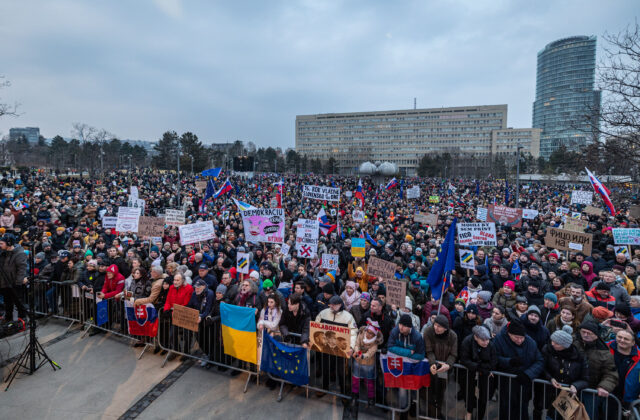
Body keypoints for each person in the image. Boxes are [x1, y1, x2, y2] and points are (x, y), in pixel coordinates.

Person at [494, 319, 544, 420]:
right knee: (506, 409)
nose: (520, 340)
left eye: (522, 337)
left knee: (522, 408)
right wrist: (509, 361)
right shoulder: (499, 339)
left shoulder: (530, 342)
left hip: (524, 383)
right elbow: (494, 358)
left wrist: (528, 374)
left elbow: (539, 361)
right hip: (507, 382)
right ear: (509, 334)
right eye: (516, 337)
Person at [536, 325, 589, 420]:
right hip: (550, 393)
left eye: (557, 343)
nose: (552, 344)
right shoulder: (547, 350)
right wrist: (550, 378)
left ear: (566, 345)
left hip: (568, 397)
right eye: (552, 341)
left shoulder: (579, 356)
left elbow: (585, 378)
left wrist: (576, 386)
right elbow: (542, 368)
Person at [314, 295, 357, 400]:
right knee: (325, 368)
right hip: (326, 348)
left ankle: (343, 393)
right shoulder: (324, 313)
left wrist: (351, 347)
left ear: (340, 305)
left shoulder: (348, 317)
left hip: (341, 350)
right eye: (330, 304)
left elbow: (353, 332)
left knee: (342, 372)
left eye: (334, 305)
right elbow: (316, 325)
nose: (331, 306)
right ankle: (324, 388)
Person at [574, 320, 618, 420]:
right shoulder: (574, 343)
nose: (585, 335)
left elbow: (611, 373)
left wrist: (604, 387)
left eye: (589, 333)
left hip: (591, 392)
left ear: (596, 335)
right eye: (583, 332)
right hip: (571, 388)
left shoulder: (604, 353)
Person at [388, 314, 426, 420]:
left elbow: (421, 355)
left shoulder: (417, 337)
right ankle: (403, 412)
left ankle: (413, 407)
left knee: (414, 391)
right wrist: (408, 352)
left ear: (409, 327)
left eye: (404, 325)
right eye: (400, 324)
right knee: (402, 391)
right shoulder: (395, 331)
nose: (401, 327)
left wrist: (401, 353)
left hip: (413, 368)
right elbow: (390, 347)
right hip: (401, 369)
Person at [423, 314, 457, 419]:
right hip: (431, 366)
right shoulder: (428, 332)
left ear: (445, 328)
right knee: (430, 391)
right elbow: (428, 350)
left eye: (439, 326)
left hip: (444, 369)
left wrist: (448, 365)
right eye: (435, 325)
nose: (436, 328)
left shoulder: (452, 336)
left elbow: (453, 354)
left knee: (441, 391)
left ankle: (438, 413)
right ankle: (431, 412)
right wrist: (433, 363)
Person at [460, 325, 496, 420]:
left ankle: (480, 416)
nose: (486, 342)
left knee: (484, 397)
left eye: (487, 339)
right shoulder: (467, 342)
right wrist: (479, 367)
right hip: (470, 372)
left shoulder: (490, 345)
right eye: (483, 340)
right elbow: (464, 359)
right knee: (469, 394)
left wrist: (488, 369)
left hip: (484, 374)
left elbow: (494, 360)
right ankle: (469, 413)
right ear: (476, 337)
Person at [351, 319, 383, 416]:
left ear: (374, 335)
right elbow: (357, 344)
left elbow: (371, 352)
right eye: (368, 332)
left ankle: (371, 398)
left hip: (369, 364)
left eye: (371, 333)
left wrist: (363, 356)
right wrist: (356, 351)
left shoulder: (375, 342)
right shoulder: (361, 335)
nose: (368, 334)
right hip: (358, 362)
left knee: (369, 382)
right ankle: (355, 395)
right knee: (355, 379)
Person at [163, 273, 194, 361]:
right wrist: (166, 309)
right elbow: (168, 300)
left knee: (187, 334)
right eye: (174, 280)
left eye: (177, 280)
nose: (175, 282)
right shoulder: (172, 287)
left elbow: (186, 303)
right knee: (172, 334)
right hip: (174, 314)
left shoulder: (189, 288)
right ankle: (177, 350)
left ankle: (186, 352)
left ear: (183, 280)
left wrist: (174, 311)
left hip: (184, 314)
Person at [607, 329, 640, 408]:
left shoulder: (638, 358)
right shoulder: (605, 347)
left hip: (628, 399)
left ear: (633, 343)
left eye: (626, 339)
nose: (622, 340)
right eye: (619, 337)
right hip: (605, 393)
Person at [0, 233, 28, 322]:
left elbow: (22, 269)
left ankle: (22, 319)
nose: (0, 245)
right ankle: (8, 319)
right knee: (7, 303)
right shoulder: (3, 253)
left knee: (18, 302)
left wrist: (18, 283)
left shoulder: (19, 253)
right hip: (4, 282)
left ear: (8, 243)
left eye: (1, 243)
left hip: (14, 283)